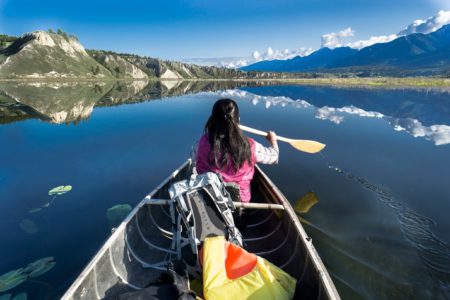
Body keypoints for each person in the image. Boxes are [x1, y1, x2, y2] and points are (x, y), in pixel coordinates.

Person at [195, 98, 279, 203]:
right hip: (240, 203)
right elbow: (274, 157)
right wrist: (273, 140)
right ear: (238, 119)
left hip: (210, 200)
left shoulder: (202, 142)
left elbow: (195, 160)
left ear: (213, 120)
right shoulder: (250, 145)